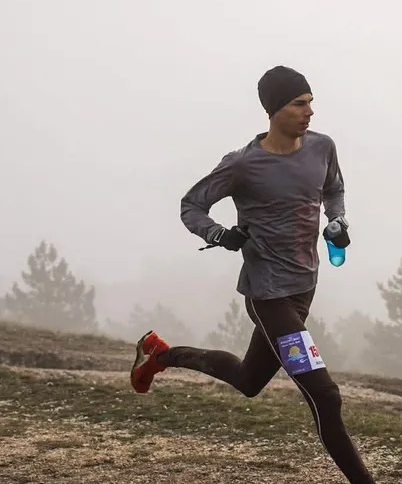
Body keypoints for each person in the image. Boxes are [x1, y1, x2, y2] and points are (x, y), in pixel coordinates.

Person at [130, 65, 376, 484]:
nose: (310, 111)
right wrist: (220, 234)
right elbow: (191, 205)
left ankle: (160, 355)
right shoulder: (244, 164)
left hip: (304, 288)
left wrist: (337, 221)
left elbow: (333, 189)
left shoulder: (322, 147)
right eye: (300, 103)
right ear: (275, 109)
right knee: (325, 395)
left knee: (248, 380)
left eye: (311, 102)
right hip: (268, 295)